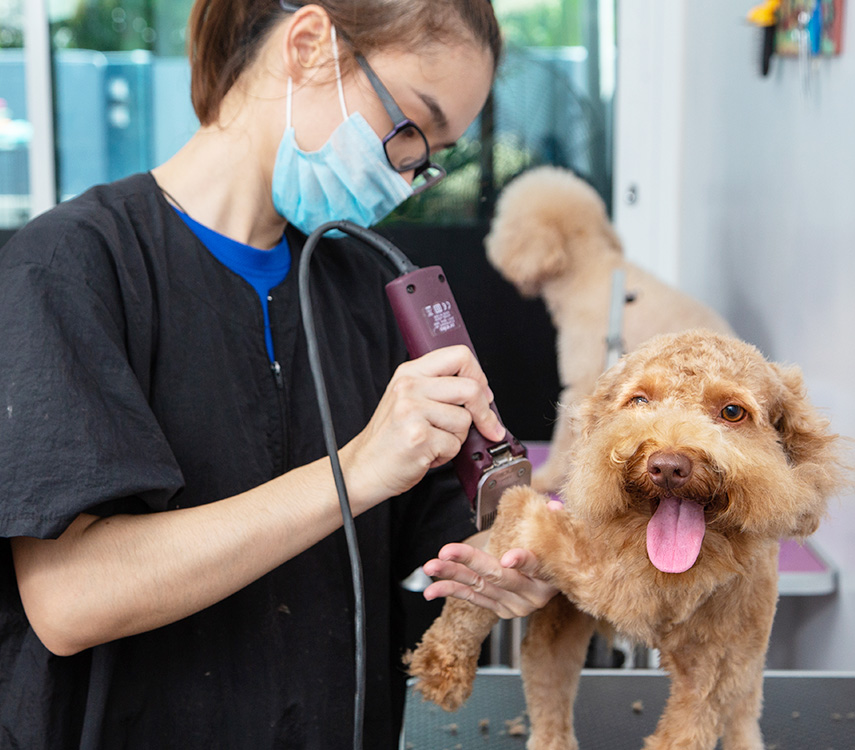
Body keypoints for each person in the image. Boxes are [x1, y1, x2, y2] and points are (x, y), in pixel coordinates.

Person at [0, 1, 559, 748]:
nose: (409, 177)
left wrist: (507, 562)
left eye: (433, 155)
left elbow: (438, 542)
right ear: (306, 46)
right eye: (409, 129)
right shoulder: (70, 268)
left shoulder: (364, 288)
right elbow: (70, 599)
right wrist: (353, 471)